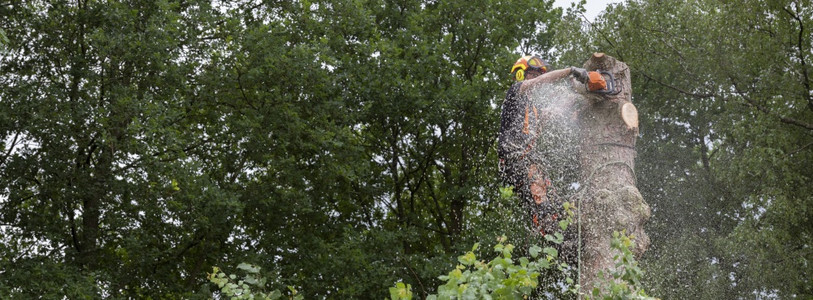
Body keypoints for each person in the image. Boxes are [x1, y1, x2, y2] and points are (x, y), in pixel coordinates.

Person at [498, 55, 598, 238]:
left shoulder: (533, 107)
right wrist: (570, 71)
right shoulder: (515, 91)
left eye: (538, 75)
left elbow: (556, 113)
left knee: (556, 203)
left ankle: (568, 236)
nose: (536, 79)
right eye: (532, 74)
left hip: (528, 160)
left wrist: (578, 101)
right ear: (521, 75)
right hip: (515, 160)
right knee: (542, 205)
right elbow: (543, 81)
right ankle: (554, 242)